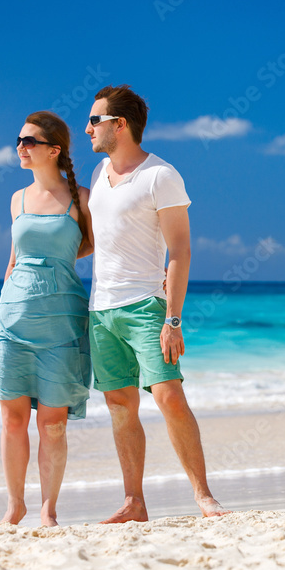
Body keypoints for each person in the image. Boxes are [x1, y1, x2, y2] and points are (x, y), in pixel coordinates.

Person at [84, 84, 228, 521]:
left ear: (119, 124)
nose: (87, 128)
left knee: (168, 396)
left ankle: (204, 496)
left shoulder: (161, 176)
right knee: (119, 406)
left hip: (146, 305)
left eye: (95, 120)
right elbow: (100, 241)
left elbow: (180, 251)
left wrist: (173, 319)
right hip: (100, 310)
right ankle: (134, 502)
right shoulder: (98, 176)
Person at [0, 111, 93, 527]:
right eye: (18, 139)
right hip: (14, 318)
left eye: (29, 141)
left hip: (62, 321)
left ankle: (49, 511)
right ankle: (15, 507)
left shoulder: (81, 199)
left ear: (54, 150)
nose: (20, 146)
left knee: (52, 424)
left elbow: (97, 245)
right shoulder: (17, 199)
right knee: (13, 420)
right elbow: (13, 261)